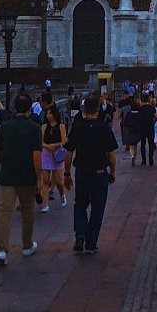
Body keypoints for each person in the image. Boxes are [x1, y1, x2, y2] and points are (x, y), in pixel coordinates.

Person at [64, 93, 118, 254]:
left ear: (84, 109)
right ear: (98, 109)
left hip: (81, 172)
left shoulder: (77, 127)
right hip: (100, 172)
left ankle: (80, 234)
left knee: (80, 205)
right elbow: (111, 154)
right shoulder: (104, 128)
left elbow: (68, 153)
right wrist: (113, 172)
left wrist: (67, 173)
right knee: (97, 208)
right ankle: (91, 243)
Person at [0, 93, 42, 266]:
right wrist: (39, 178)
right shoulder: (35, 128)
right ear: (30, 109)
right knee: (27, 211)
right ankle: (27, 245)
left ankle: (1, 250)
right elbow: (36, 156)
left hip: (7, 175)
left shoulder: (5, 127)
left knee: (5, 212)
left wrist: (8, 160)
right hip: (26, 175)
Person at [40, 103, 68, 208]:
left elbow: (64, 141)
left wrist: (55, 145)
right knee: (46, 179)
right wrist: (47, 146)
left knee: (58, 180)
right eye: (47, 113)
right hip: (46, 153)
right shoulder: (43, 127)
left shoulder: (61, 126)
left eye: (50, 113)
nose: (48, 115)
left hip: (57, 154)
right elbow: (41, 141)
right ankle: (45, 203)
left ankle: (62, 194)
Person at [138, 95, 157, 167]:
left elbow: (138, 118)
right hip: (150, 127)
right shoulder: (152, 108)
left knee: (143, 144)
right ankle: (151, 159)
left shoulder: (140, 109)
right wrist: (152, 123)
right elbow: (155, 118)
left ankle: (144, 160)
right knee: (151, 144)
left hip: (142, 128)